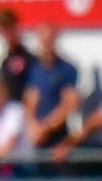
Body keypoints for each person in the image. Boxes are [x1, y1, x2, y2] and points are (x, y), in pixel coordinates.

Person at [23, 23, 80, 152]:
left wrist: (46, 127)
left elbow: (69, 104)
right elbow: (30, 99)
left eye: (50, 40)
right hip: (37, 138)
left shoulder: (67, 69)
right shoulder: (33, 69)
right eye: (43, 40)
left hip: (58, 137)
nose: (46, 44)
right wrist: (34, 127)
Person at [0, 7, 34, 102]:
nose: (7, 33)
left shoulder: (27, 58)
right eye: (3, 29)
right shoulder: (4, 57)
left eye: (9, 28)